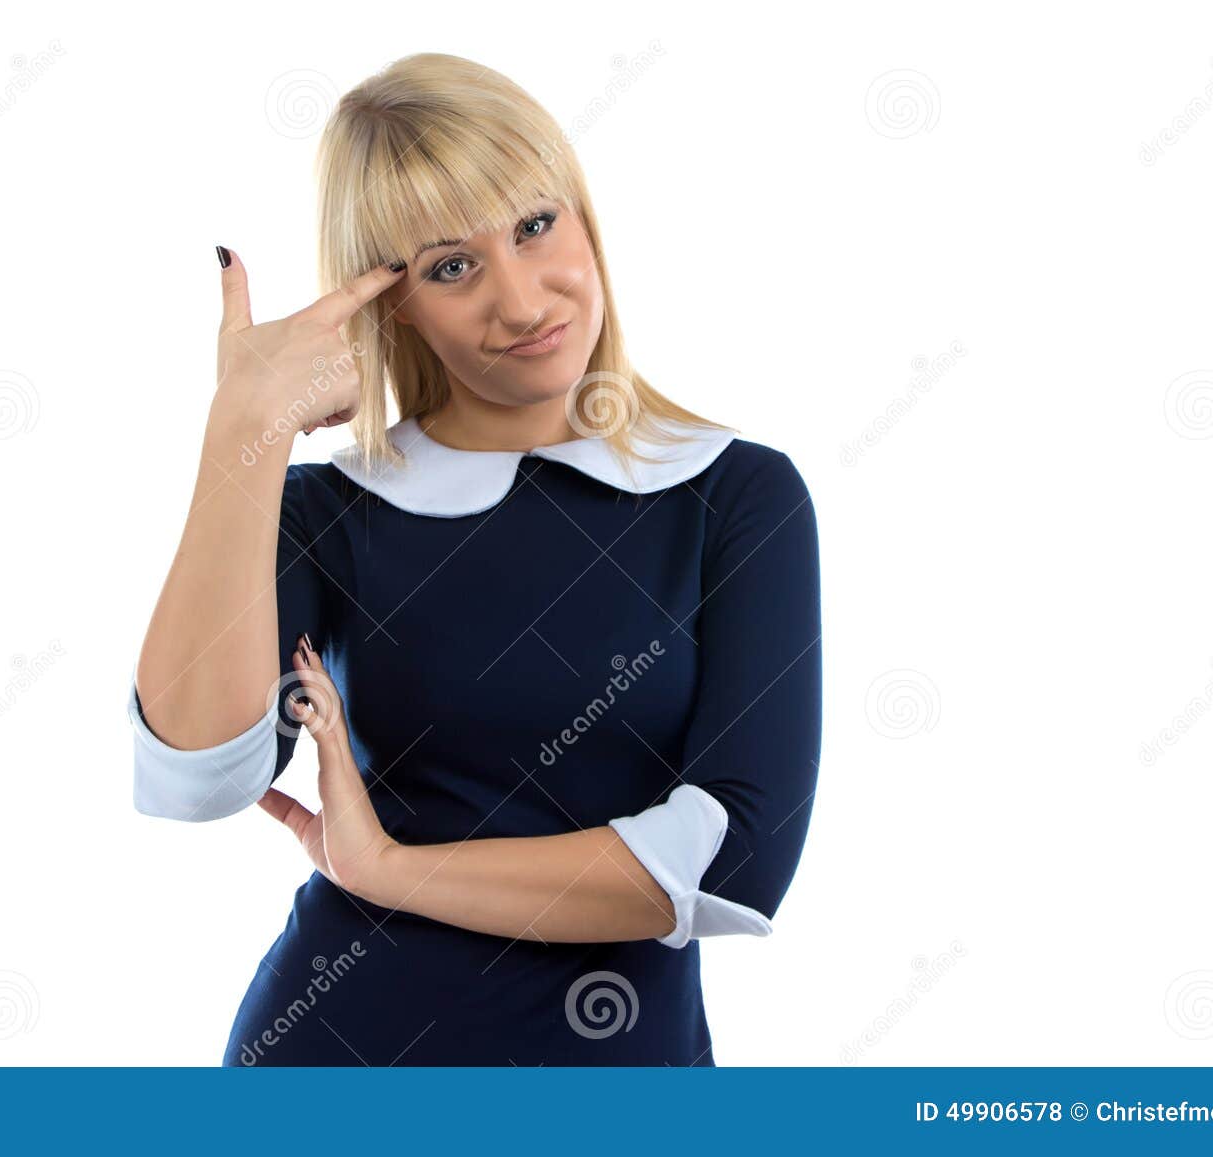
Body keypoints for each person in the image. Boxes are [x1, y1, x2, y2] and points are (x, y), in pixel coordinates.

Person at [129, 52, 822, 1066]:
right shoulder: (326, 511)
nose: (521, 298)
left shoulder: (733, 495)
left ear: (582, 213)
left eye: (536, 224)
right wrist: (248, 428)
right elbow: (192, 777)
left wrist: (387, 869)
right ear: (395, 303)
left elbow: (730, 865)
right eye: (451, 266)